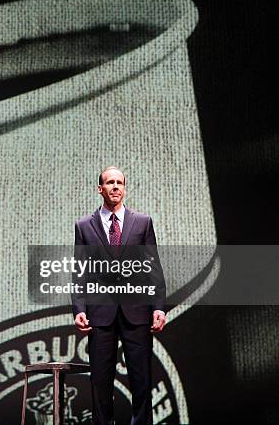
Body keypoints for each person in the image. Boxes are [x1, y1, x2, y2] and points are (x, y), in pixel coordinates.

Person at [73, 167, 166, 425]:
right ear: (99, 188)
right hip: (100, 314)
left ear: (124, 188)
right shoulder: (84, 226)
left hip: (136, 312)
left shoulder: (142, 223)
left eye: (119, 183)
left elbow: (153, 267)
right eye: (109, 183)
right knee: (100, 385)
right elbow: (79, 271)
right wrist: (79, 308)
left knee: (141, 381)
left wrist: (159, 306)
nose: (115, 187)